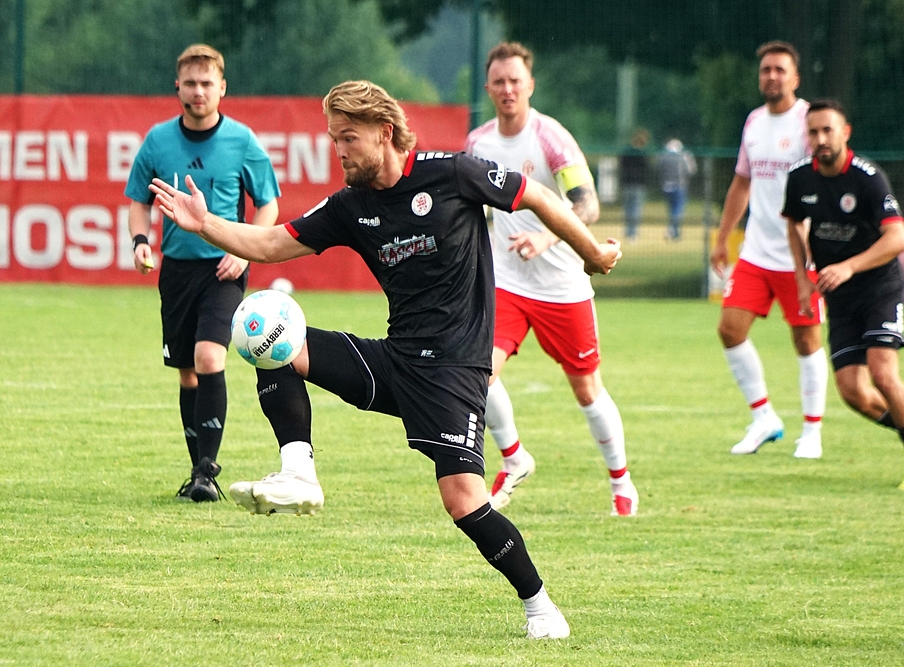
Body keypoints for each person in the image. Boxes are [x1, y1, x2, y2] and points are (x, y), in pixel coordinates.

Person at [150, 80, 623, 638]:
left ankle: (541, 606)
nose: (339, 150)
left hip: (453, 372)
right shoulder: (351, 206)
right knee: (267, 331)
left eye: (348, 138)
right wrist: (205, 223)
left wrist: (592, 252)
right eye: (334, 139)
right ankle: (299, 473)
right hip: (396, 361)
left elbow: (538, 196)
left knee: (463, 502)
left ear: (385, 132)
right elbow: (273, 244)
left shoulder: (453, 174)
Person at [466, 41, 639, 516]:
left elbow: (588, 204)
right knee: (479, 372)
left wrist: (546, 237)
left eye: (515, 81)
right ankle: (514, 458)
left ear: (530, 86)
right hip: (506, 283)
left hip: (563, 287)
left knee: (586, 388)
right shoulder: (477, 144)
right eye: (499, 82)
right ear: (488, 88)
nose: (507, 89)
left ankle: (621, 482)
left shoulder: (551, 137)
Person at [126, 44, 280, 502]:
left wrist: (245, 252)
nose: (199, 91)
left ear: (222, 88)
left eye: (207, 83)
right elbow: (138, 201)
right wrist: (140, 241)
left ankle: (207, 473)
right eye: (191, 83)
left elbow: (268, 204)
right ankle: (197, 473)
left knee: (210, 358)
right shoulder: (157, 141)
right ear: (178, 87)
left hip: (223, 270)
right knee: (187, 374)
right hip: (176, 271)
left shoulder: (242, 141)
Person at [783, 99, 904, 490]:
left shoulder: (868, 178)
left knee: (883, 373)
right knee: (853, 392)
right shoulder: (800, 178)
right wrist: (802, 278)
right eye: (813, 132)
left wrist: (849, 266)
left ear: (845, 133)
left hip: (879, 288)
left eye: (828, 130)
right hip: (839, 296)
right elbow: (794, 224)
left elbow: (898, 238)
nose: (821, 139)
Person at [710, 41, 828, 459]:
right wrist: (722, 238)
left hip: (802, 255)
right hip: (757, 253)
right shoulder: (754, 122)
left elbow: (825, 181)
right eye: (766, 70)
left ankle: (811, 432)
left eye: (780, 69)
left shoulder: (810, 123)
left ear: (795, 78)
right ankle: (764, 418)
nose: (772, 76)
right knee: (730, 329)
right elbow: (742, 181)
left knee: (806, 339)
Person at [657, 138, 697, 240]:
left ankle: (674, 231)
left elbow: (659, 169)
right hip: (679, 186)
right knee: (678, 209)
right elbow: (691, 170)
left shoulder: (663, 156)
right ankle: (673, 230)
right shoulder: (684, 155)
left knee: (671, 209)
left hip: (667, 186)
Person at [619, 128, 651, 242]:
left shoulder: (626, 152)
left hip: (627, 184)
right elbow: (647, 170)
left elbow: (621, 167)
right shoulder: (643, 154)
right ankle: (633, 233)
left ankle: (628, 232)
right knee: (636, 209)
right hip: (639, 185)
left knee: (628, 209)